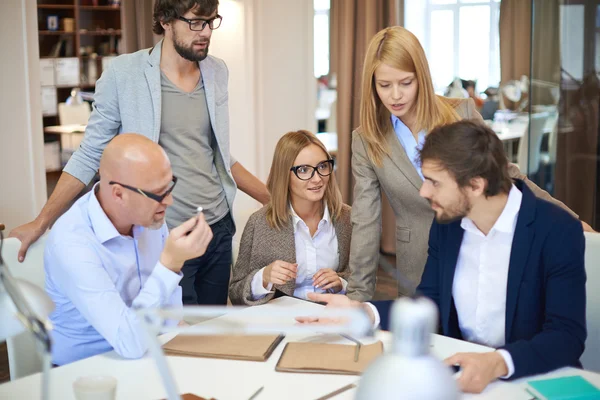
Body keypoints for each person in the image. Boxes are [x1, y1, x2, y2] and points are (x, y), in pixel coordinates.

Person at [10, 0, 270, 305]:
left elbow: (220, 156)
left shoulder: (216, 72)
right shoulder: (125, 74)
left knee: (212, 336)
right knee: (171, 339)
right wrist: (42, 221)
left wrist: (274, 200)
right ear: (165, 20)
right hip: (163, 234)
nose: (206, 33)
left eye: (211, 22)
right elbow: (90, 153)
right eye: (196, 22)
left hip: (216, 229)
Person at [300, 121, 586, 393]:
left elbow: (566, 336)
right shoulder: (447, 225)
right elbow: (430, 304)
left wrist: (498, 362)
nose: (423, 192)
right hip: (460, 376)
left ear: (476, 185)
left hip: (529, 378)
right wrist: (365, 312)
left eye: (434, 182)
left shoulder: (557, 230)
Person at [346, 26, 586, 302]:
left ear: (421, 77)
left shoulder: (460, 112)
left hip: (480, 249)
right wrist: (356, 299)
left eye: (406, 82)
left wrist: (568, 219)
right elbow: (365, 220)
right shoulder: (366, 140)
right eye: (384, 85)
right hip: (419, 264)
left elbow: (506, 175)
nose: (395, 95)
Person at [45, 134, 214, 365]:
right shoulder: (73, 244)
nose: (170, 201)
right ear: (118, 193)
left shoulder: (149, 218)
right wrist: (170, 265)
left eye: (170, 186)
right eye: (158, 193)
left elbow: (170, 316)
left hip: (149, 352)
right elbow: (128, 343)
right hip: (86, 371)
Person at [229, 131, 352, 305]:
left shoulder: (348, 219)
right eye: (303, 170)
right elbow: (236, 293)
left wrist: (342, 283)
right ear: (284, 175)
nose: (317, 178)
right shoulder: (259, 222)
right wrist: (263, 278)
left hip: (332, 319)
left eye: (323, 166)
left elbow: (365, 283)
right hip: (279, 322)